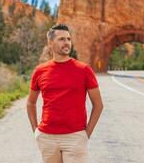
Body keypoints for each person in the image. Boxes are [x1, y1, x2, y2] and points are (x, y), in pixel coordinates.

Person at [26, 24, 103, 163]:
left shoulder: (84, 70)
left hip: (75, 137)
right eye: (61, 39)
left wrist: (86, 134)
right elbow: (31, 102)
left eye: (68, 39)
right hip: (47, 138)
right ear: (50, 43)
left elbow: (98, 105)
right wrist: (35, 131)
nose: (67, 42)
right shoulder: (40, 71)